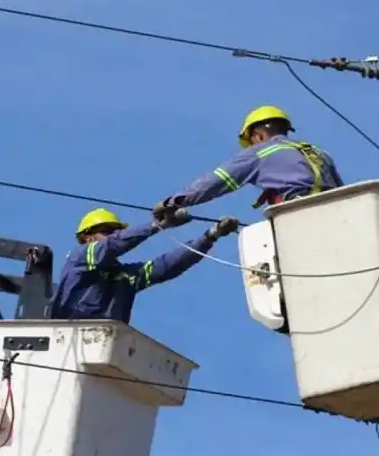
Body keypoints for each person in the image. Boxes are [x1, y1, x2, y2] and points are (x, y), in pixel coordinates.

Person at [49, 207, 239, 323]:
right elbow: (113, 245)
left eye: (117, 231)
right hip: (68, 341)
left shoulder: (122, 276)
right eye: (108, 231)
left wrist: (210, 236)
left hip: (105, 345)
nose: (114, 235)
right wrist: (158, 225)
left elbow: (164, 267)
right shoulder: (78, 259)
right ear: (88, 237)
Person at [152, 105, 344, 220]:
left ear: (258, 135)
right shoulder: (319, 153)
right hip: (338, 213)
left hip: (298, 214)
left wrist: (174, 202)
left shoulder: (260, 152)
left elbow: (217, 181)